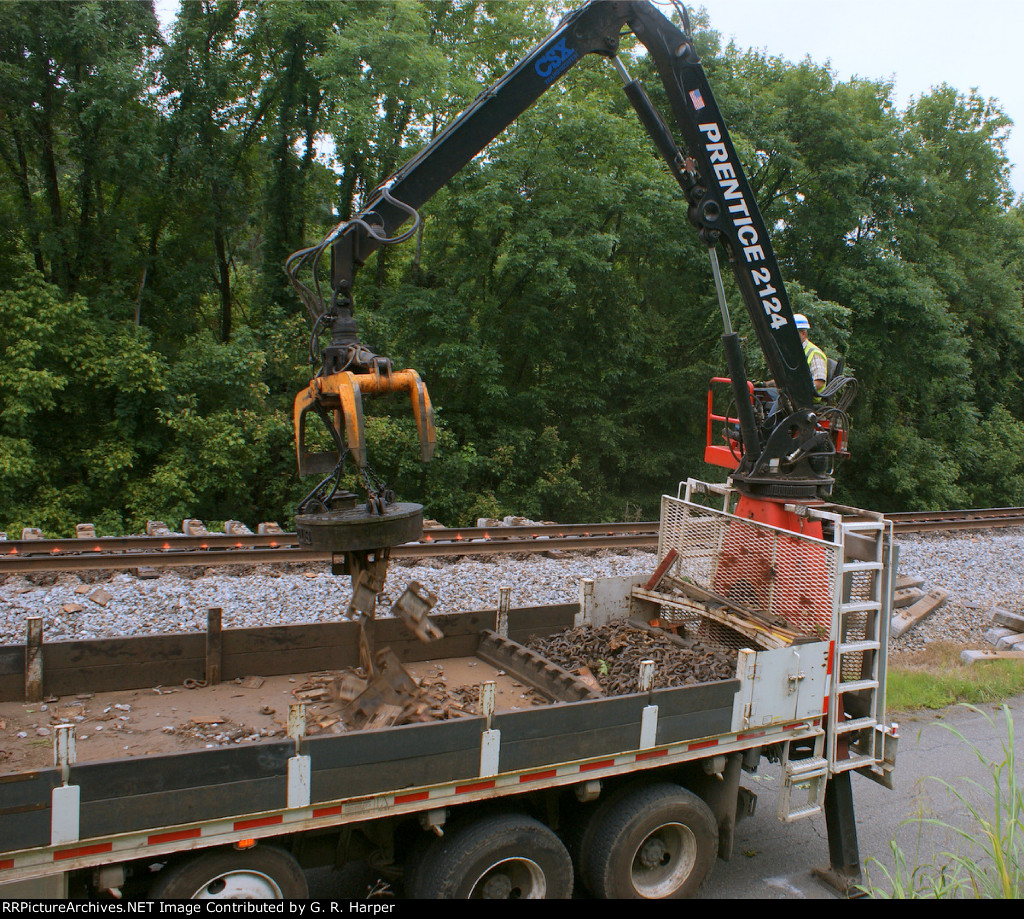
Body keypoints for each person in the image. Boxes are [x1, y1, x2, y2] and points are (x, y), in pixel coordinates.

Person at [793, 313, 827, 392]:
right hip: (793, 396)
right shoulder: (795, 352)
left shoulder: (815, 354)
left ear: (803, 334)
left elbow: (819, 382)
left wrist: (797, 390)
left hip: (807, 399)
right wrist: (764, 384)